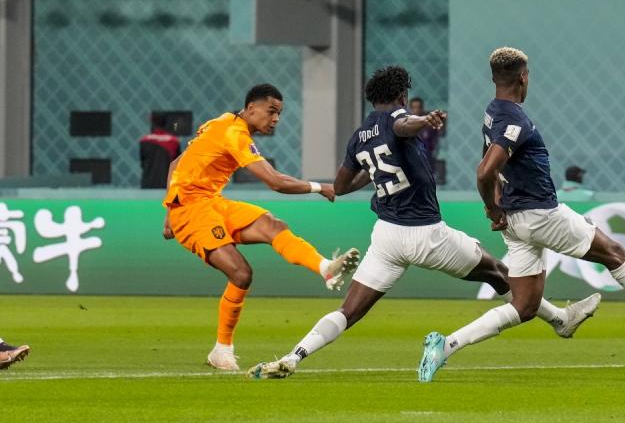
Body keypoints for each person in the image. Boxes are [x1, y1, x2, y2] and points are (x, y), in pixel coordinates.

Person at [246, 66, 600, 380]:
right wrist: (425, 120)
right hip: (427, 234)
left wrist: (374, 173)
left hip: (386, 236)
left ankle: (294, 357)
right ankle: (559, 321)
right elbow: (403, 125)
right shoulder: (398, 119)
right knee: (499, 272)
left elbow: (340, 186)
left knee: (349, 311)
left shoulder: (360, 134)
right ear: (402, 95)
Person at [417, 48, 625, 383]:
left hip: (516, 222)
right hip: (541, 214)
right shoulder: (516, 120)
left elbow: (488, 162)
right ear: (523, 77)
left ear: (494, 79)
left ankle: (446, 346)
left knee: (525, 306)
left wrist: (499, 201)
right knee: (614, 254)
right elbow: (486, 171)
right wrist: (491, 204)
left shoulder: (493, 112)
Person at [162, 84, 361, 371]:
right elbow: (276, 182)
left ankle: (325, 268)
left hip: (211, 204)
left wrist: (167, 209)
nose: (276, 119)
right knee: (241, 273)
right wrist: (319, 187)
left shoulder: (220, 122)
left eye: (279, 113)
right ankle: (222, 349)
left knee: (272, 225)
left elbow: (175, 164)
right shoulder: (234, 133)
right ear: (251, 108)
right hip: (192, 212)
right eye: (271, 112)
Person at [139, 113, 181, 189]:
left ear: (152, 123)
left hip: (148, 185)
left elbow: (142, 164)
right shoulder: (174, 141)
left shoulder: (144, 141)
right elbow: (178, 165)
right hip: (168, 186)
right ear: (165, 123)